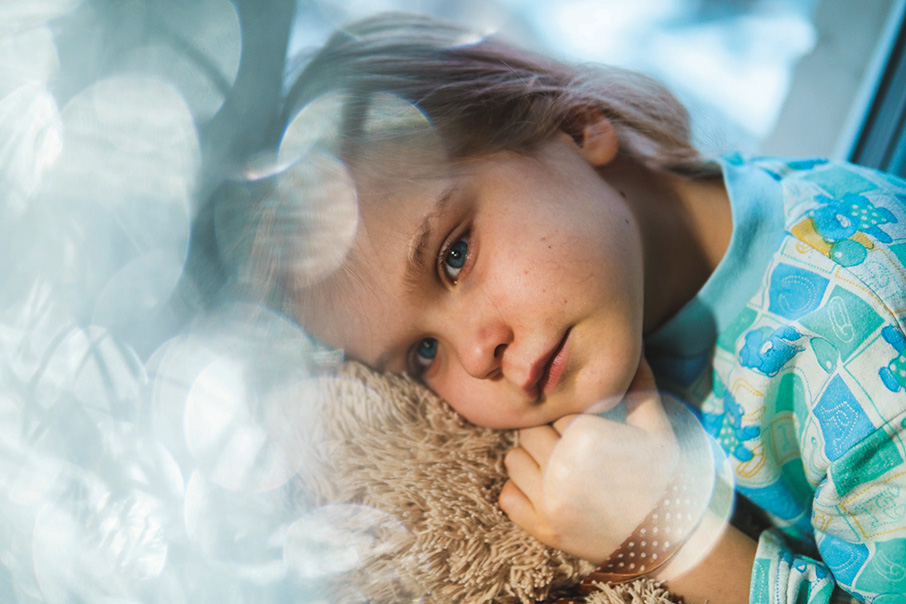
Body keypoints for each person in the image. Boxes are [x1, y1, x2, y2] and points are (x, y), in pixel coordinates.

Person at [243, 11, 906, 604]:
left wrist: (670, 536)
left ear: (576, 126)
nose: (477, 356)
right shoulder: (639, 253)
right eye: (424, 354)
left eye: (454, 255)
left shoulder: (862, 341)